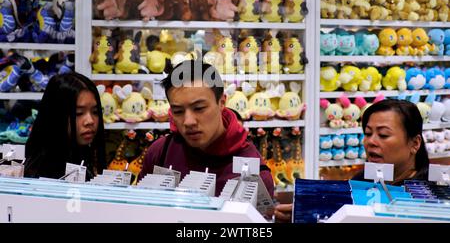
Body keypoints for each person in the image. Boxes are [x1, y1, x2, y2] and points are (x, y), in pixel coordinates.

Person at [273, 98, 430, 222]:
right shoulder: (359, 183)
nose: (371, 142)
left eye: (383, 135)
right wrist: (303, 214)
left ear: (414, 143)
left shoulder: (431, 197)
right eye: (368, 133)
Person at [138, 60, 274, 198]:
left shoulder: (254, 173)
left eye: (199, 108)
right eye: (178, 111)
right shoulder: (160, 152)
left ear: (221, 102)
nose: (188, 121)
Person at [24, 72, 106, 181]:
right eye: (79, 113)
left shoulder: (86, 154)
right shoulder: (41, 173)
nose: (90, 121)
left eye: (95, 112)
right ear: (57, 116)